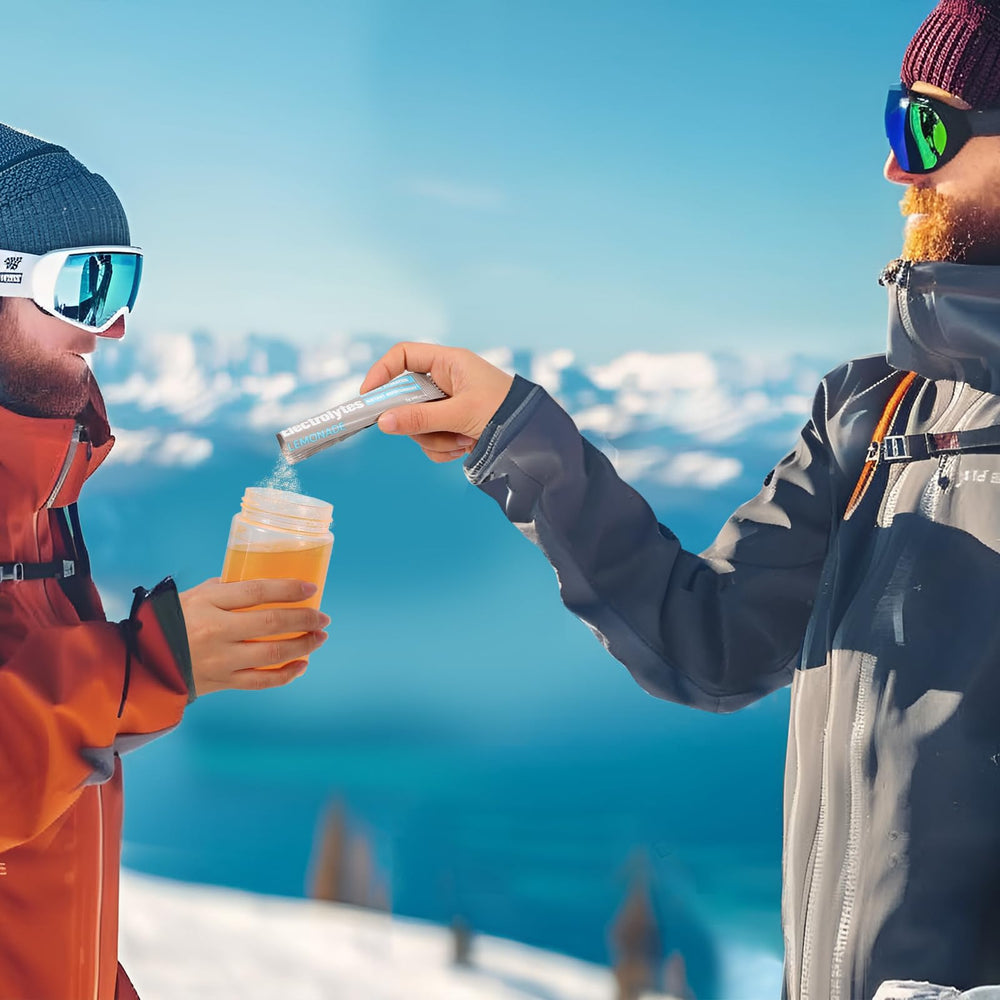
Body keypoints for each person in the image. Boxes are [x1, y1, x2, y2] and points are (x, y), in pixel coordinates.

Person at [359, 2, 1000, 998]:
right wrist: (517, 438)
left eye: (926, 128)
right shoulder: (871, 412)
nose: (891, 167)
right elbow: (710, 643)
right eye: (893, 122)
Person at [0, 124, 329, 999]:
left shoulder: (40, 515)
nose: (112, 325)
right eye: (82, 283)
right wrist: (146, 663)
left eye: (122, 280)